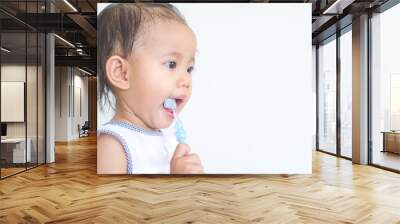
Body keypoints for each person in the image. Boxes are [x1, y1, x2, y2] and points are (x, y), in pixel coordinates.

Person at [97, 3, 203, 174]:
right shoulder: (113, 146)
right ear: (122, 73)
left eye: (189, 69)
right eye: (171, 64)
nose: (186, 80)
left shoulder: (164, 137)